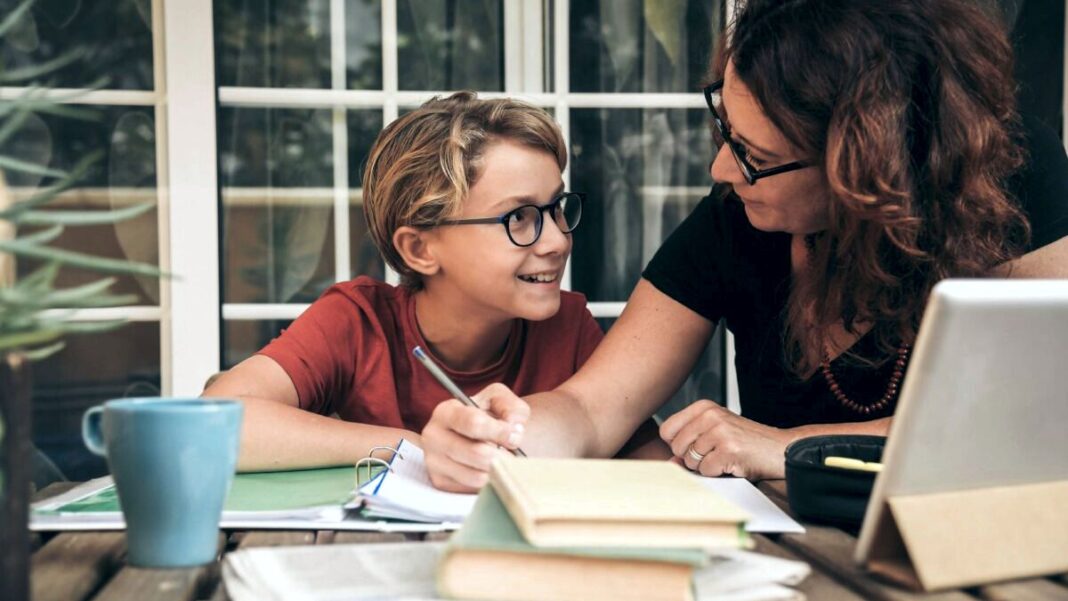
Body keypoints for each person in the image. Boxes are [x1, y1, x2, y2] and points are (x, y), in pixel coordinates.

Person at [420, 0, 1068, 491]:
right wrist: (500, 434)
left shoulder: (1010, 176)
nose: (722, 171)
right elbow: (592, 407)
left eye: (756, 156)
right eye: (724, 129)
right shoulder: (738, 215)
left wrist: (783, 445)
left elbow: (1037, 419)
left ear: (865, 169)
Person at [204, 92, 616, 471]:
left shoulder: (568, 327)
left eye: (556, 208)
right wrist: (413, 446)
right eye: (518, 218)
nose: (557, 239)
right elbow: (215, 423)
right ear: (420, 250)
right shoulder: (358, 323)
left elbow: (645, 461)